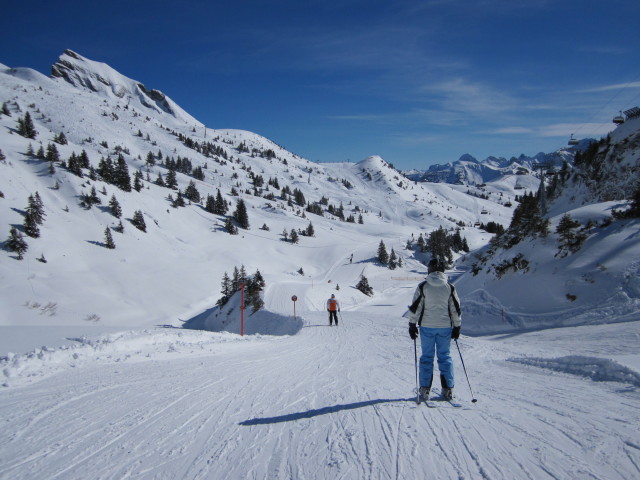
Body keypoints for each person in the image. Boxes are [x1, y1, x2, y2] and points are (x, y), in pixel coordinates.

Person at [408, 258, 461, 401]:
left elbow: (415, 307)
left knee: (427, 357)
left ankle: (425, 389)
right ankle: (448, 389)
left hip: (427, 326)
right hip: (445, 327)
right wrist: (457, 326)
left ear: (429, 270)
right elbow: (455, 309)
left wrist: (412, 324)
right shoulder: (450, 287)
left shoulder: (423, 286)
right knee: (445, 357)